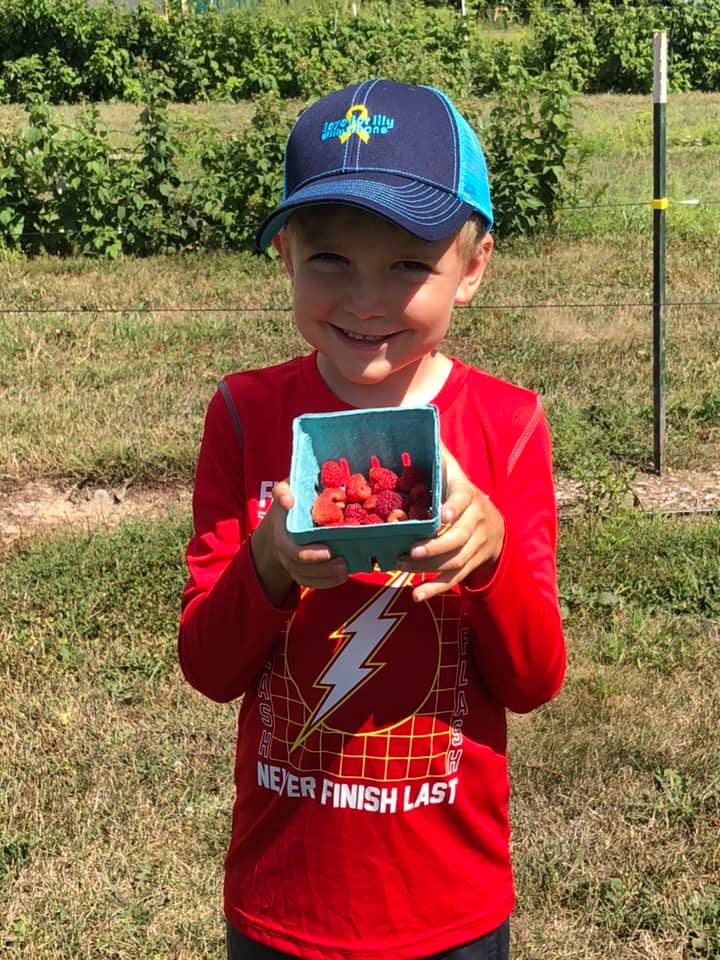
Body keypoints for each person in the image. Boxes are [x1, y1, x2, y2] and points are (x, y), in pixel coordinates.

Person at [178, 78, 566, 960]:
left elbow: (535, 681)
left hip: (447, 908)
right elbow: (207, 665)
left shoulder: (506, 425)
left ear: (471, 269)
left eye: (406, 266)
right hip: (284, 900)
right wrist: (269, 563)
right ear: (285, 257)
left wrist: (491, 553)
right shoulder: (244, 414)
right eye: (329, 261)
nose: (364, 301)